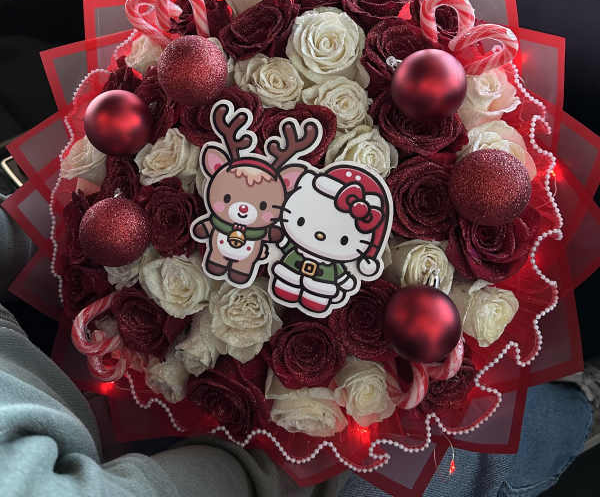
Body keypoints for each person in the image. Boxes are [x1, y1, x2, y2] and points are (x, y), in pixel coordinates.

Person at [0, 209, 593, 497]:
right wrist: (276, 464)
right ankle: (578, 407)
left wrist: (77, 241)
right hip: (171, 467)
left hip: (63, 340)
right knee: (434, 456)